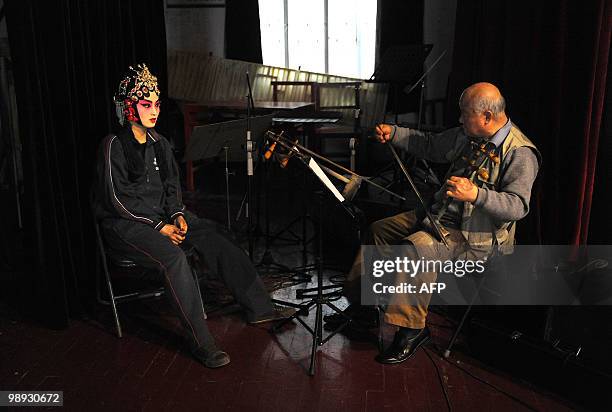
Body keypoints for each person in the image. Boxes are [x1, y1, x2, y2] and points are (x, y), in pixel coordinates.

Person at [325, 82, 541, 364]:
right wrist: (395, 133)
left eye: (465, 114)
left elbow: (517, 206)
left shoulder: (520, 153)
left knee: (416, 247)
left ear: (487, 116)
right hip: (440, 216)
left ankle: (412, 329)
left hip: (476, 236)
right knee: (379, 231)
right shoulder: (469, 134)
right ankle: (365, 307)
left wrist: (476, 194)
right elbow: (430, 145)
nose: (460, 119)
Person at [95, 63, 294, 369]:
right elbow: (117, 198)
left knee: (216, 235)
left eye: (157, 104)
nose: (154, 110)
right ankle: (202, 341)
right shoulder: (114, 145)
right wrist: (161, 227)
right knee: (174, 258)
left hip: (164, 217)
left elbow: (172, 187)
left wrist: (177, 214)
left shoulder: (159, 143)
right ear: (129, 107)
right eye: (146, 104)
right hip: (128, 224)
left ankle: (259, 307)